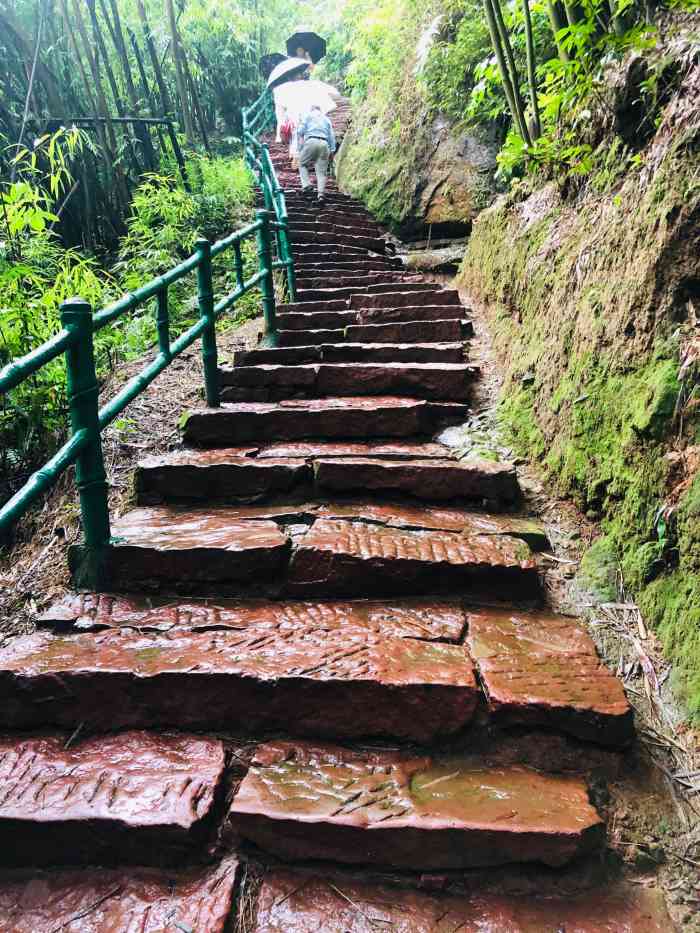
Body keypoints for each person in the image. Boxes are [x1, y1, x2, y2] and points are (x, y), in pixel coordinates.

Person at [297, 104, 336, 207]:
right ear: (320, 109)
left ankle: (306, 185)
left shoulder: (308, 116)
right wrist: (332, 151)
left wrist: (299, 147)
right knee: (322, 172)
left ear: (312, 109)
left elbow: (300, 131)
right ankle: (321, 195)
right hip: (324, 144)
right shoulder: (327, 119)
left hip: (311, 141)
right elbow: (332, 136)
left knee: (302, 163)